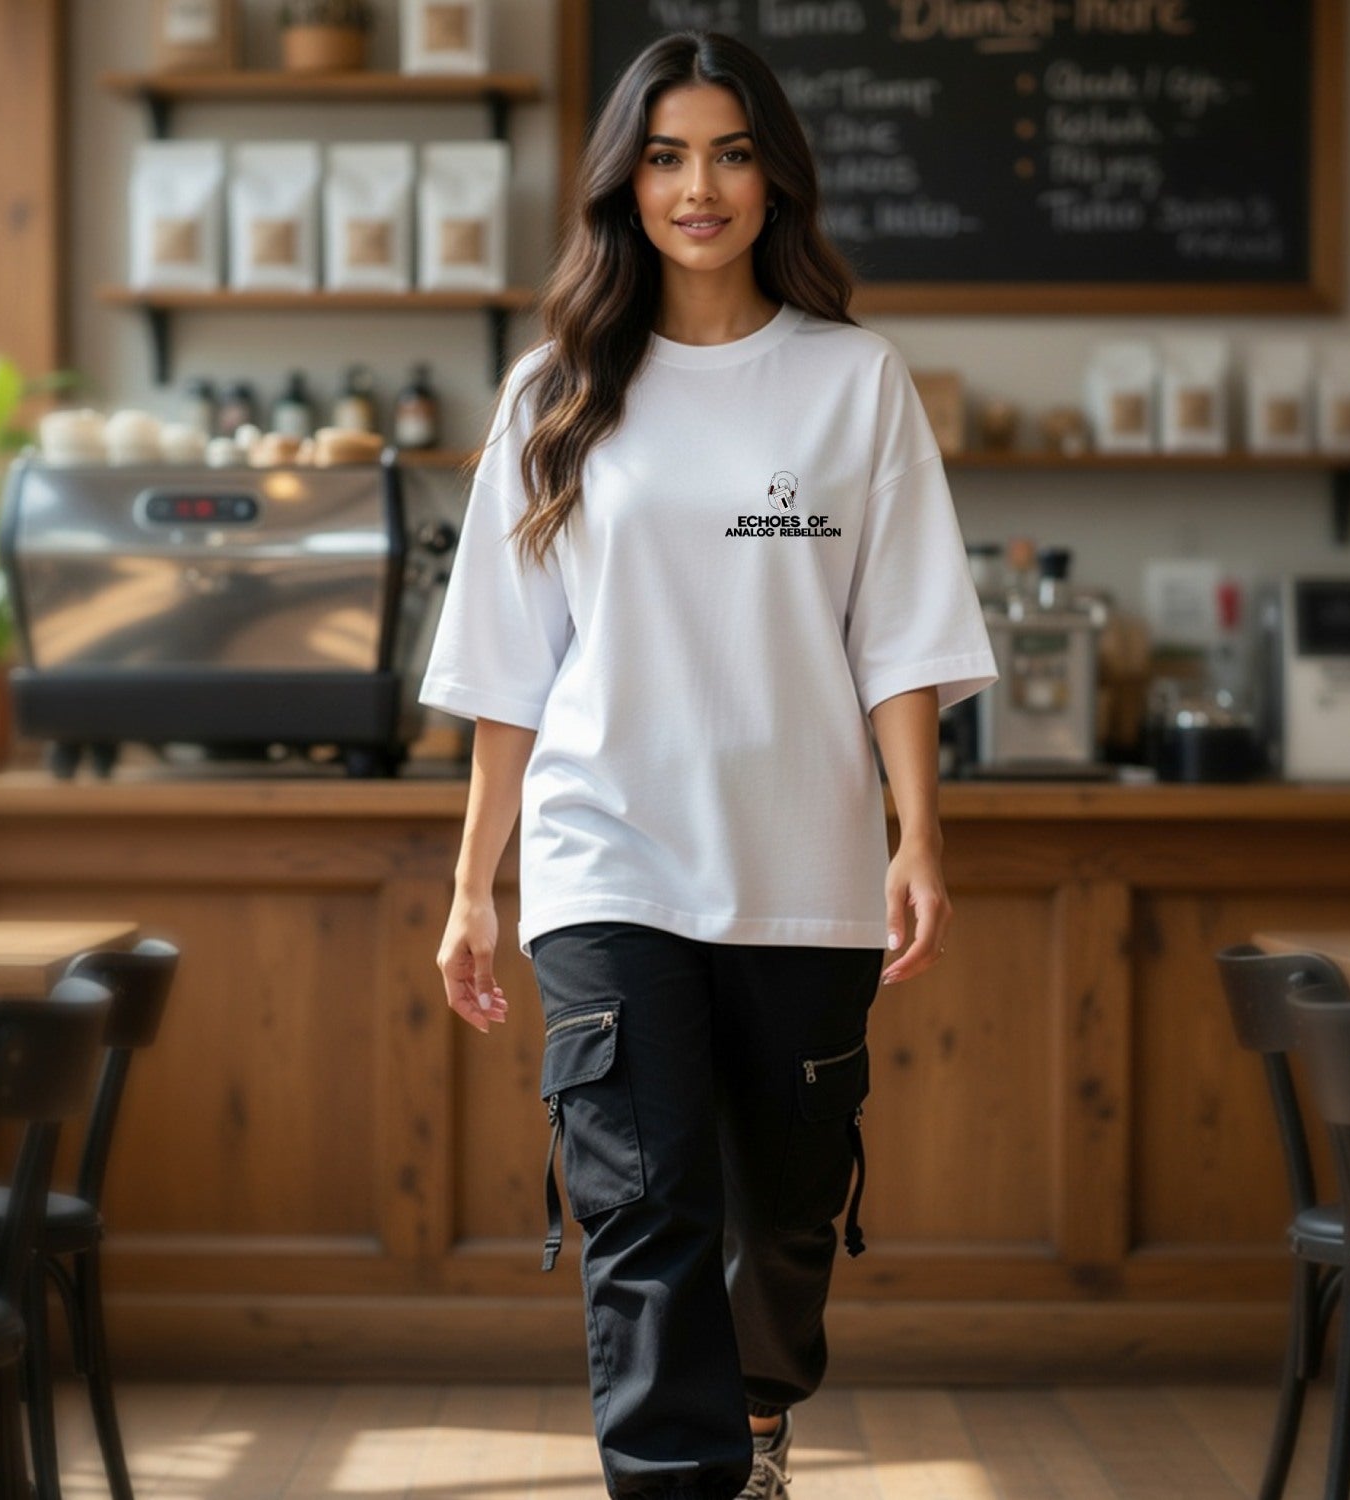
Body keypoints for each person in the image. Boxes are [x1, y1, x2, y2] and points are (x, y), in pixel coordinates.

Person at [419, 29, 997, 1500]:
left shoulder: (854, 383)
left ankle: (750, 1423)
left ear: (773, 176)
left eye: (731, 152)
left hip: (804, 866)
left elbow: (906, 634)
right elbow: (507, 669)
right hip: (606, 855)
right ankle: (677, 1485)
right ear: (626, 182)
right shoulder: (554, 392)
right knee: (644, 1209)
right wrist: (474, 885)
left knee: (785, 1218)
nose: (700, 186)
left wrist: (918, 835)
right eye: (667, 155)